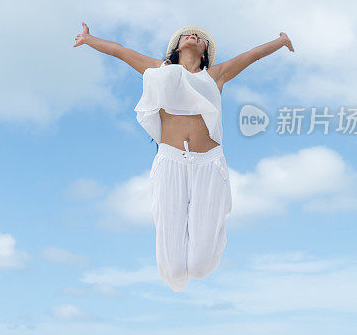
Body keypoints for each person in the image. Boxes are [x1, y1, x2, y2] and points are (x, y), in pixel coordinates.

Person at [73, 21, 295, 291]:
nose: (193, 36)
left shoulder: (215, 76)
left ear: (204, 53)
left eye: (199, 38)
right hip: (170, 163)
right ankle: (175, 276)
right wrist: (89, 38)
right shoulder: (158, 71)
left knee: (201, 265)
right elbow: (120, 51)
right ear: (176, 49)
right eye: (187, 36)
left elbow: (252, 55)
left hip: (209, 166)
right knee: (174, 267)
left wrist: (281, 41)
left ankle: (207, 252)